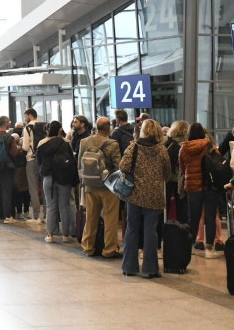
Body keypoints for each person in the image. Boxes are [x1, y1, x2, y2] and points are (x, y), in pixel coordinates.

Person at [119, 118, 171, 278]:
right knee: (151, 230)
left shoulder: (133, 147)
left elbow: (123, 166)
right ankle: (150, 268)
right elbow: (168, 173)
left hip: (134, 194)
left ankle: (129, 267)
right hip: (154, 195)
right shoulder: (161, 149)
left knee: (132, 229)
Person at [78, 117, 122, 258]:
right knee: (110, 218)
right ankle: (109, 250)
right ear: (108, 128)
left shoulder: (84, 142)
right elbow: (118, 167)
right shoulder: (113, 144)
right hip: (108, 187)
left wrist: (84, 181)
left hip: (90, 185)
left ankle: (88, 247)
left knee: (91, 217)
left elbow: (79, 165)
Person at [178, 122, 221, 258]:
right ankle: (209, 249)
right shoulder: (209, 146)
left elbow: (182, 169)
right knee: (210, 216)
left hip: (192, 186)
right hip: (210, 186)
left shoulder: (184, 149)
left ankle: (189, 248)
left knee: (194, 218)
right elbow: (218, 164)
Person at [37, 120, 76, 243]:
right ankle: (66, 234)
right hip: (64, 178)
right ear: (60, 130)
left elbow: (39, 161)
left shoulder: (42, 143)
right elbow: (72, 160)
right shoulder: (65, 142)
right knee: (64, 206)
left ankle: (50, 234)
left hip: (48, 178)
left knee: (50, 206)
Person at [22, 108, 47, 223]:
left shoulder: (28, 128)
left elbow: (25, 147)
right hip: (44, 160)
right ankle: (46, 215)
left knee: (33, 188)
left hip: (31, 159)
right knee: (45, 187)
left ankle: (36, 216)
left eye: (25, 116)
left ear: (30, 115)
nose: (25, 118)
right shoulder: (44, 125)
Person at [165, 120, 190, 225]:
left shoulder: (167, 143)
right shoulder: (186, 145)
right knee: (182, 206)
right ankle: (182, 230)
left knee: (165, 205)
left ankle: (163, 229)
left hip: (167, 178)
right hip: (181, 179)